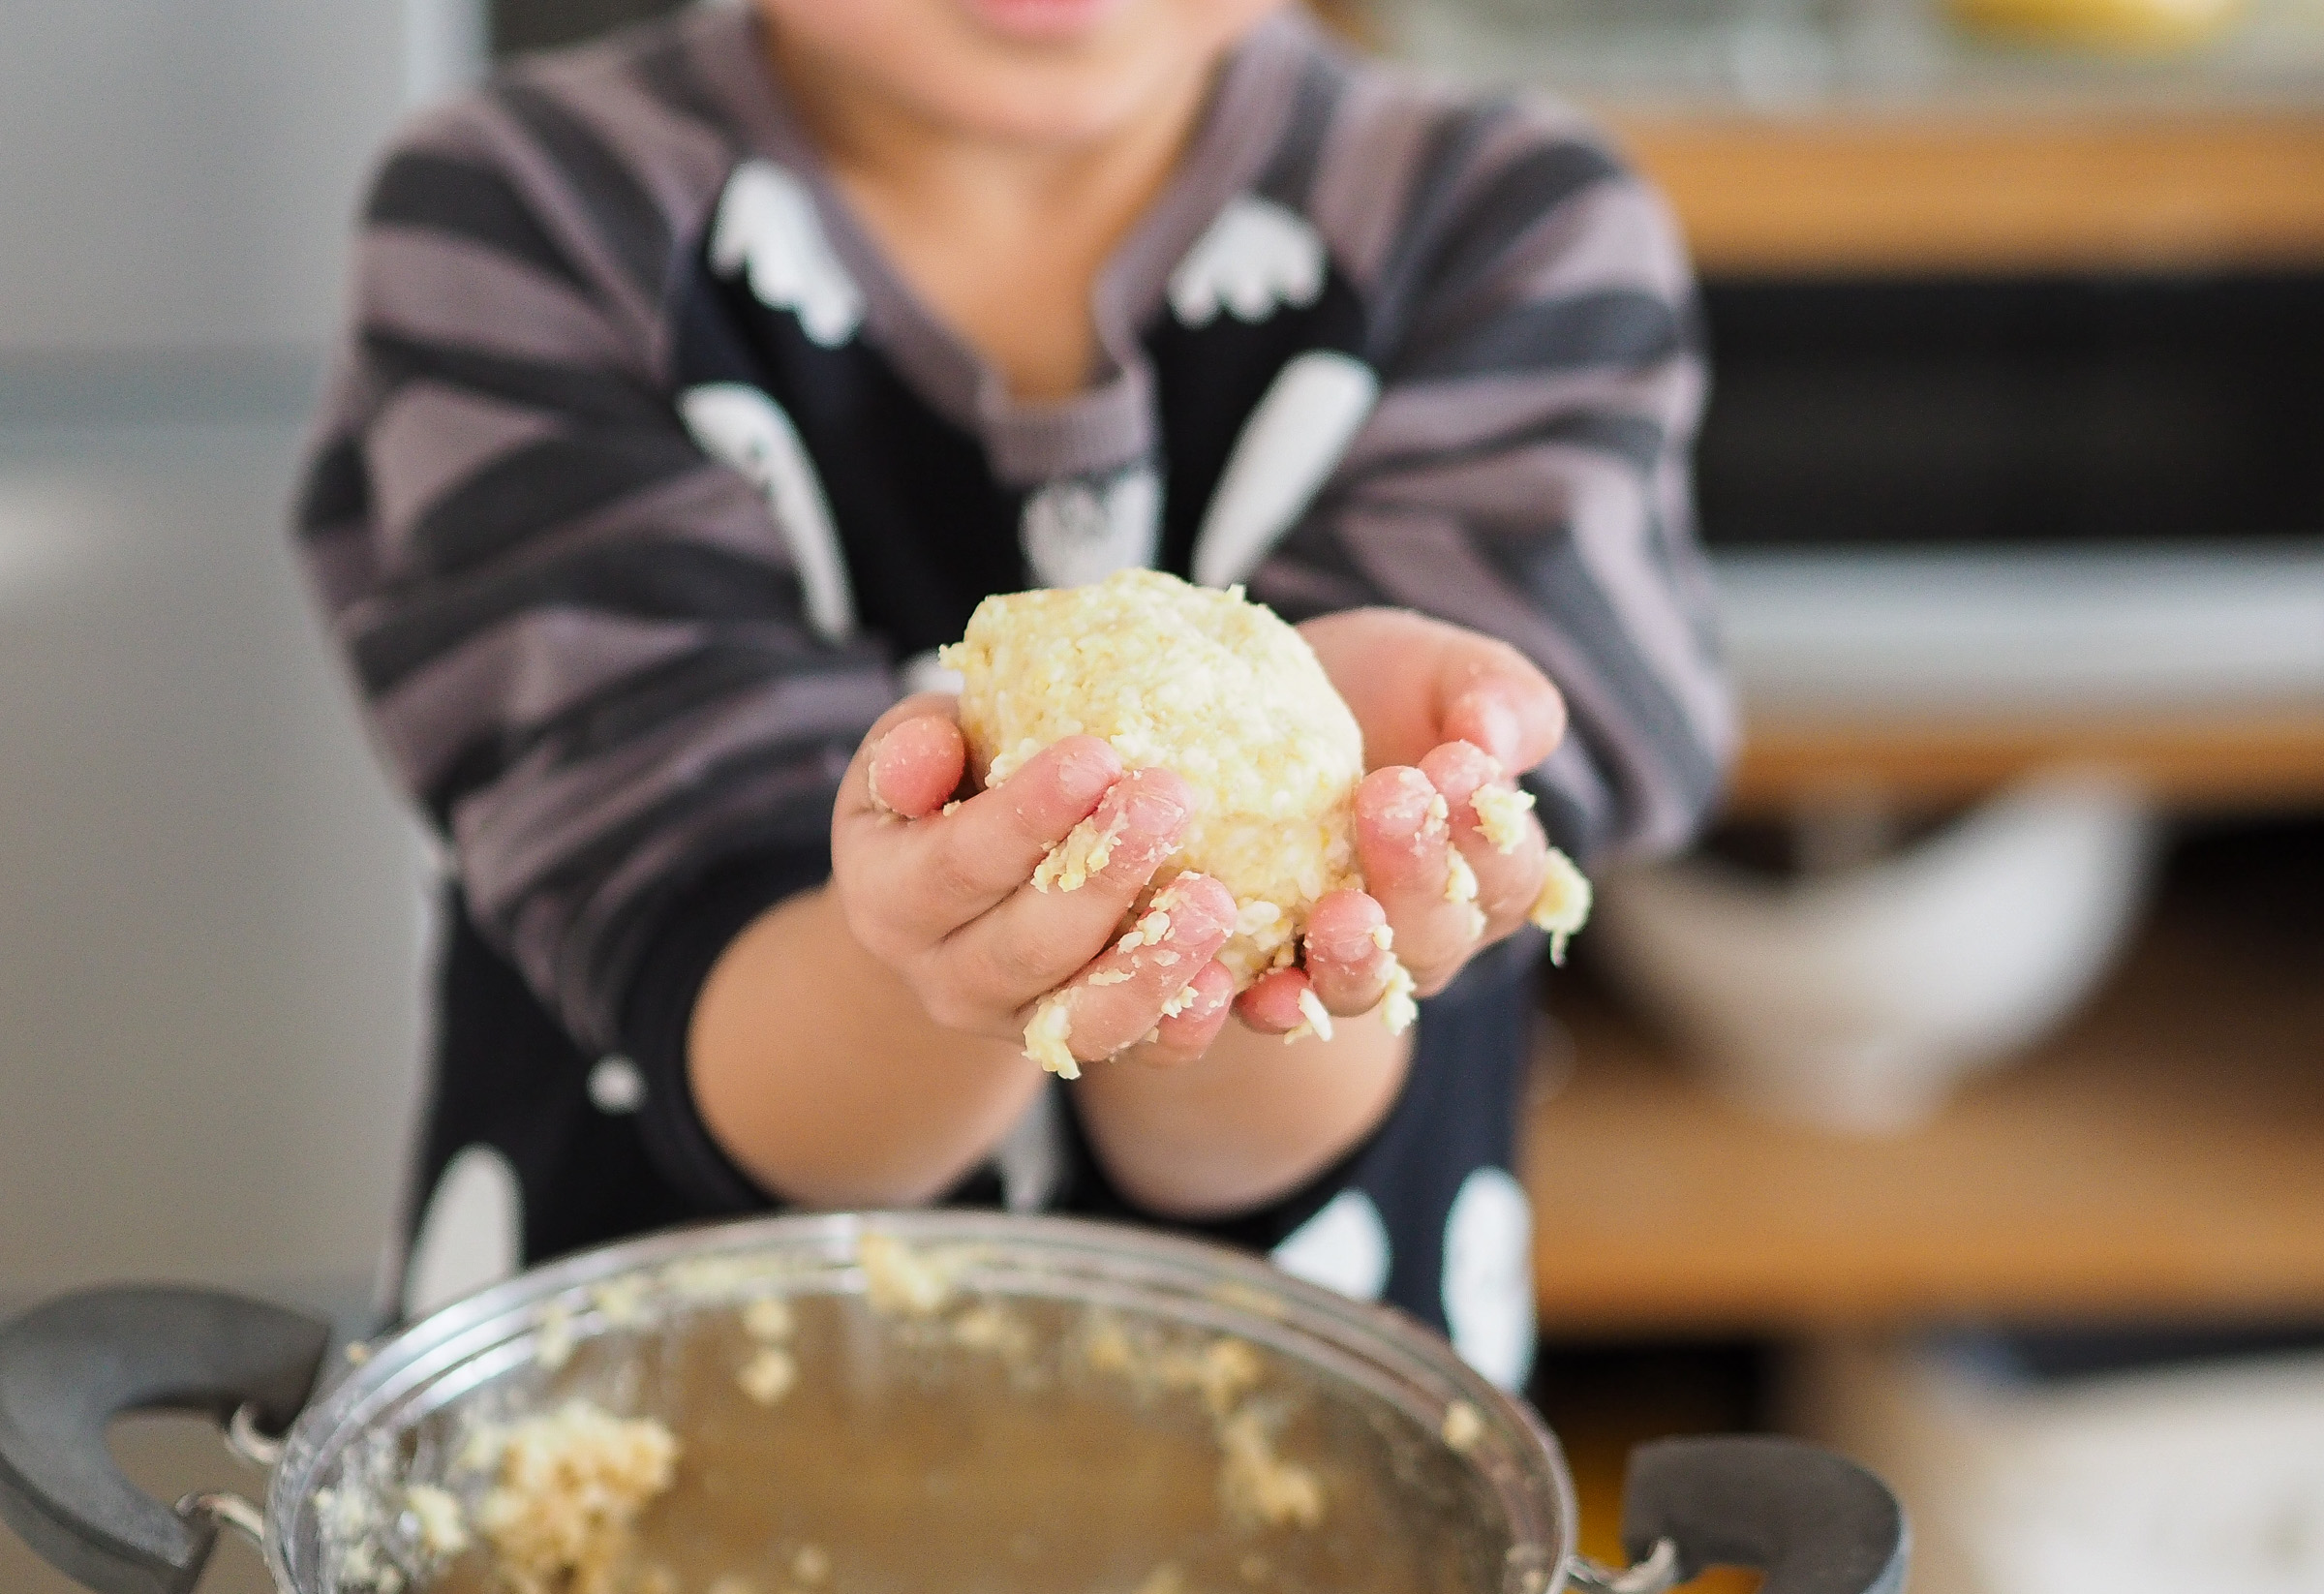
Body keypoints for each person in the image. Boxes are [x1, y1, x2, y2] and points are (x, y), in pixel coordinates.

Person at [294, 0, 1730, 1390]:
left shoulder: (1503, 232)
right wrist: (930, 945)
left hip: (1312, 1409)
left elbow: (1262, 1123)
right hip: (629, 1403)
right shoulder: (532, 218)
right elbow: (718, 991)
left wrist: (1298, 880)